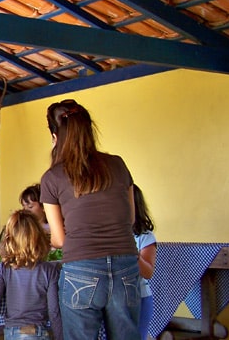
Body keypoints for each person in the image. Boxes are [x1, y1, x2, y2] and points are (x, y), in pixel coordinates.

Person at [40, 99, 140, 340]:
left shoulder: (52, 177)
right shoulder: (117, 164)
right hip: (125, 264)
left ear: (55, 136)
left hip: (81, 269)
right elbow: (131, 218)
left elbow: (60, 240)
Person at [0, 210, 62, 340]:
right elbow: (54, 312)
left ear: (9, 239)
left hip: (13, 333)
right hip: (39, 333)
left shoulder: (3, 269)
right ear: (39, 237)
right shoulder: (49, 270)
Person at [132, 184, 157, 340]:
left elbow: (147, 272)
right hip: (112, 298)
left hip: (139, 297)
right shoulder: (106, 233)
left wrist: (130, 250)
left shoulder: (144, 236)